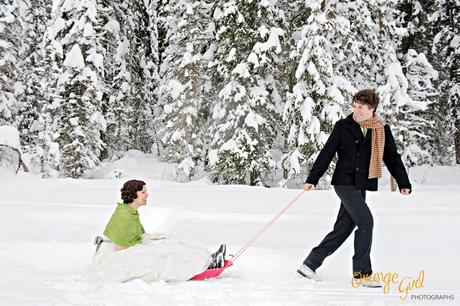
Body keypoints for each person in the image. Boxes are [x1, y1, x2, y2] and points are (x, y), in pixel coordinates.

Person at [296, 89, 412, 288]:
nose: (356, 110)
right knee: (366, 222)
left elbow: (392, 157)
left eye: (361, 107)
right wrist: (313, 178)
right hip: (344, 182)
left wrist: (403, 182)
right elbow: (327, 153)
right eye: (354, 106)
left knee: (343, 228)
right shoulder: (343, 126)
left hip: (361, 184)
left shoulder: (381, 128)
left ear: (372, 109)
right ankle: (362, 274)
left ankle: (309, 264)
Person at [85, 179, 226, 282]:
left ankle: (208, 259)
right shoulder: (123, 215)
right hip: (116, 257)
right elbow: (121, 249)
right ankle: (206, 264)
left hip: (125, 248)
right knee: (163, 253)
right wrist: (147, 247)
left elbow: (136, 237)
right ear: (133, 194)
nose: (147, 195)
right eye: (143, 192)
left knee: (170, 241)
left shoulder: (130, 212)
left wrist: (151, 239)